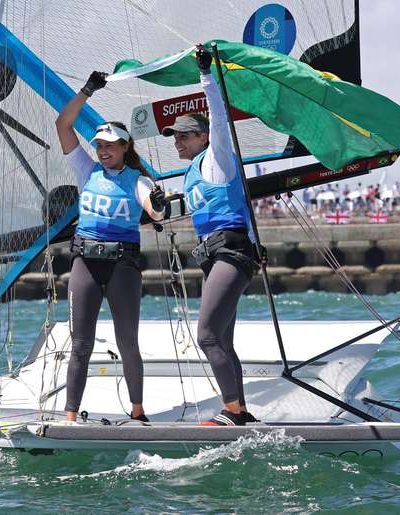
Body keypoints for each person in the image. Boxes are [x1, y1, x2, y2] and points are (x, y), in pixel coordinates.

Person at [55, 71, 165, 423]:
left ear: (125, 148)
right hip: (85, 263)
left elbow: (152, 206)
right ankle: (70, 416)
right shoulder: (87, 170)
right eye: (99, 146)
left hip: (122, 266)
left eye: (110, 146)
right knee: (80, 345)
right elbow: (63, 124)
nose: (102, 151)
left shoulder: (138, 180)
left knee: (127, 341)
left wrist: (158, 204)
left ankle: (138, 411)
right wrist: (87, 91)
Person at [161, 45, 257, 426]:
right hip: (217, 256)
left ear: (203, 138)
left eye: (184, 136)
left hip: (230, 255)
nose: (177, 142)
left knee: (207, 337)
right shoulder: (193, 173)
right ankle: (242, 413)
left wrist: (206, 74)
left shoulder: (218, 156)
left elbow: (219, 118)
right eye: (175, 138)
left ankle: (231, 410)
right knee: (222, 339)